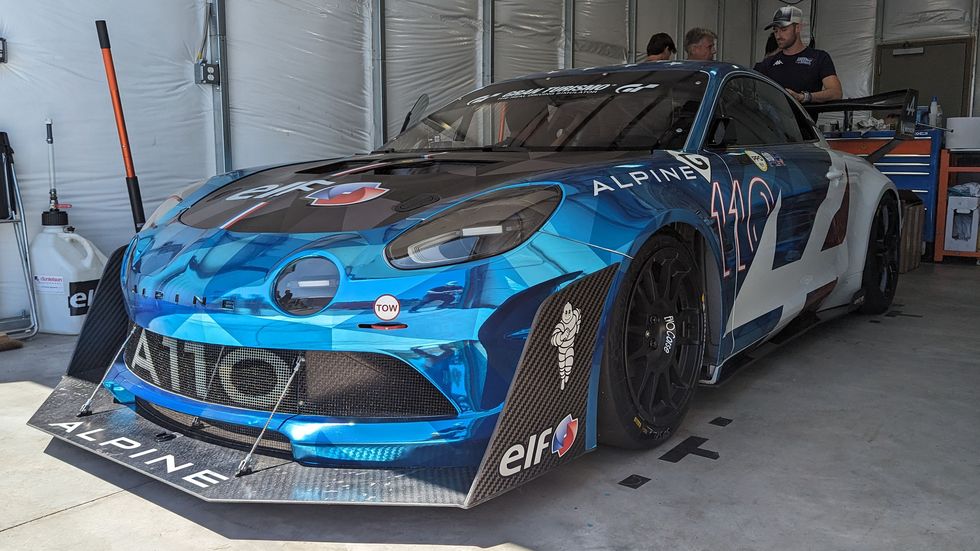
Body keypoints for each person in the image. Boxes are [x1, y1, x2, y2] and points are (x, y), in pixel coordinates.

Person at [754, 6, 842, 104]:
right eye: (775, 31)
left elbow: (836, 93)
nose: (778, 36)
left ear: (798, 28)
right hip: (770, 118)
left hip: (804, 119)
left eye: (783, 29)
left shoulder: (819, 58)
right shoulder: (768, 63)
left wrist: (803, 97)